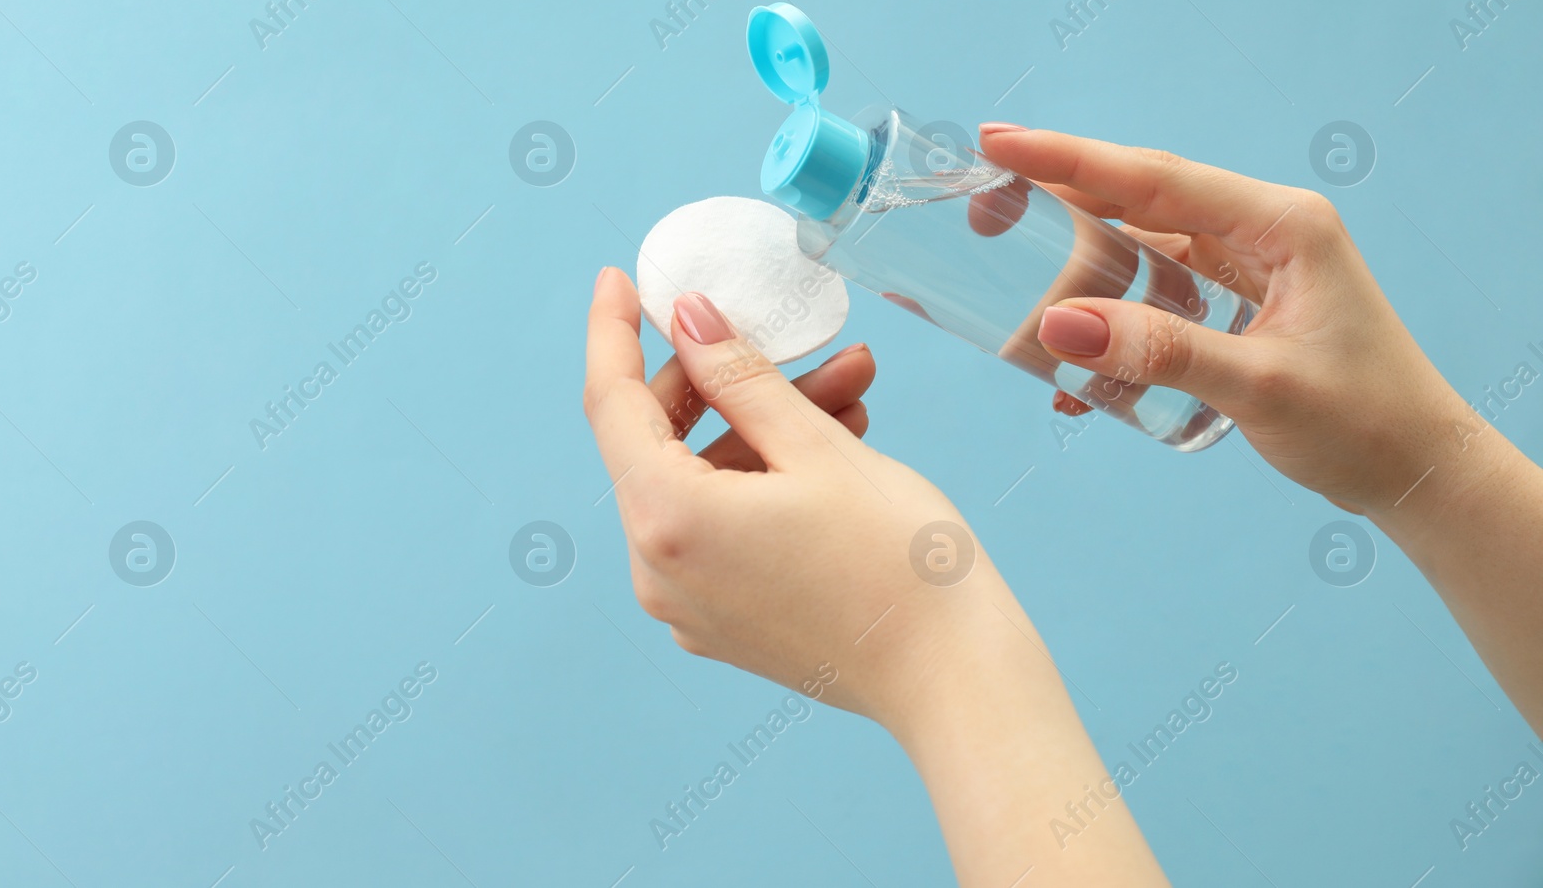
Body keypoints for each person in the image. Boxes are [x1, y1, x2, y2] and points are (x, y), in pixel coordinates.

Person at [582, 125, 1543, 886]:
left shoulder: (897, 181)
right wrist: (1420, 459)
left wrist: (929, 648)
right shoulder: (885, 205)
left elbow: (934, 644)